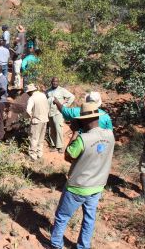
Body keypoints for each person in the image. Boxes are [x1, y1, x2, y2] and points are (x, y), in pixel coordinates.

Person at [50, 102, 115, 249]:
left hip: (78, 186)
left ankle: (55, 245)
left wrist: (74, 133)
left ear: (84, 120)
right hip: (97, 185)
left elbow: (68, 156)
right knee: (89, 219)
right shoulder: (110, 135)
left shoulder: (83, 139)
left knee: (62, 217)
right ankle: (83, 246)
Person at [46, 77, 75, 153]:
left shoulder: (62, 90)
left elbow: (72, 97)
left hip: (58, 112)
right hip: (50, 113)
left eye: (56, 81)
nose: (55, 83)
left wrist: (64, 106)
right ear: (51, 82)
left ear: (58, 82)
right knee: (51, 130)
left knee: (59, 129)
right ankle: (54, 145)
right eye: (53, 81)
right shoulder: (48, 91)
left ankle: (60, 146)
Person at [25, 84, 49, 160]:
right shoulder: (43, 95)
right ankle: (39, 154)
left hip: (36, 121)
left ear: (31, 91)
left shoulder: (32, 98)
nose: (28, 94)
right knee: (41, 139)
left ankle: (33, 155)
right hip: (45, 120)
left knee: (34, 138)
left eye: (28, 92)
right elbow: (47, 107)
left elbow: (28, 110)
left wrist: (31, 117)